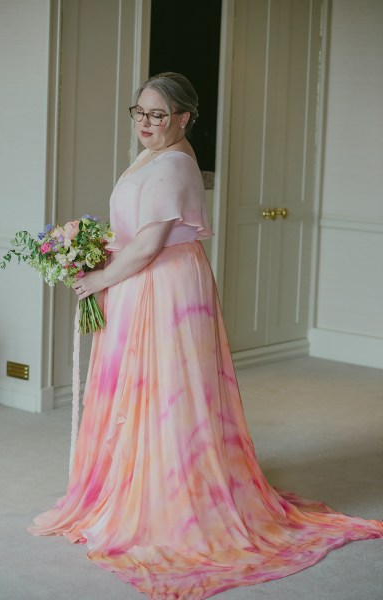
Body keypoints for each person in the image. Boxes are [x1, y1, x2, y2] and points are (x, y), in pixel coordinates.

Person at [29, 72, 383, 600]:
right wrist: (95, 251)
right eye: (140, 113)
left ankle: (166, 500)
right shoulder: (152, 154)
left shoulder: (174, 163)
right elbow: (134, 234)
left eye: (158, 115)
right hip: (138, 280)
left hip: (163, 285)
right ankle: (132, 487)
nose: (146, 124)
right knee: (137, 386)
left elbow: (149, 246)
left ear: (185, 118)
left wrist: (99, 277)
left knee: (165, 390)